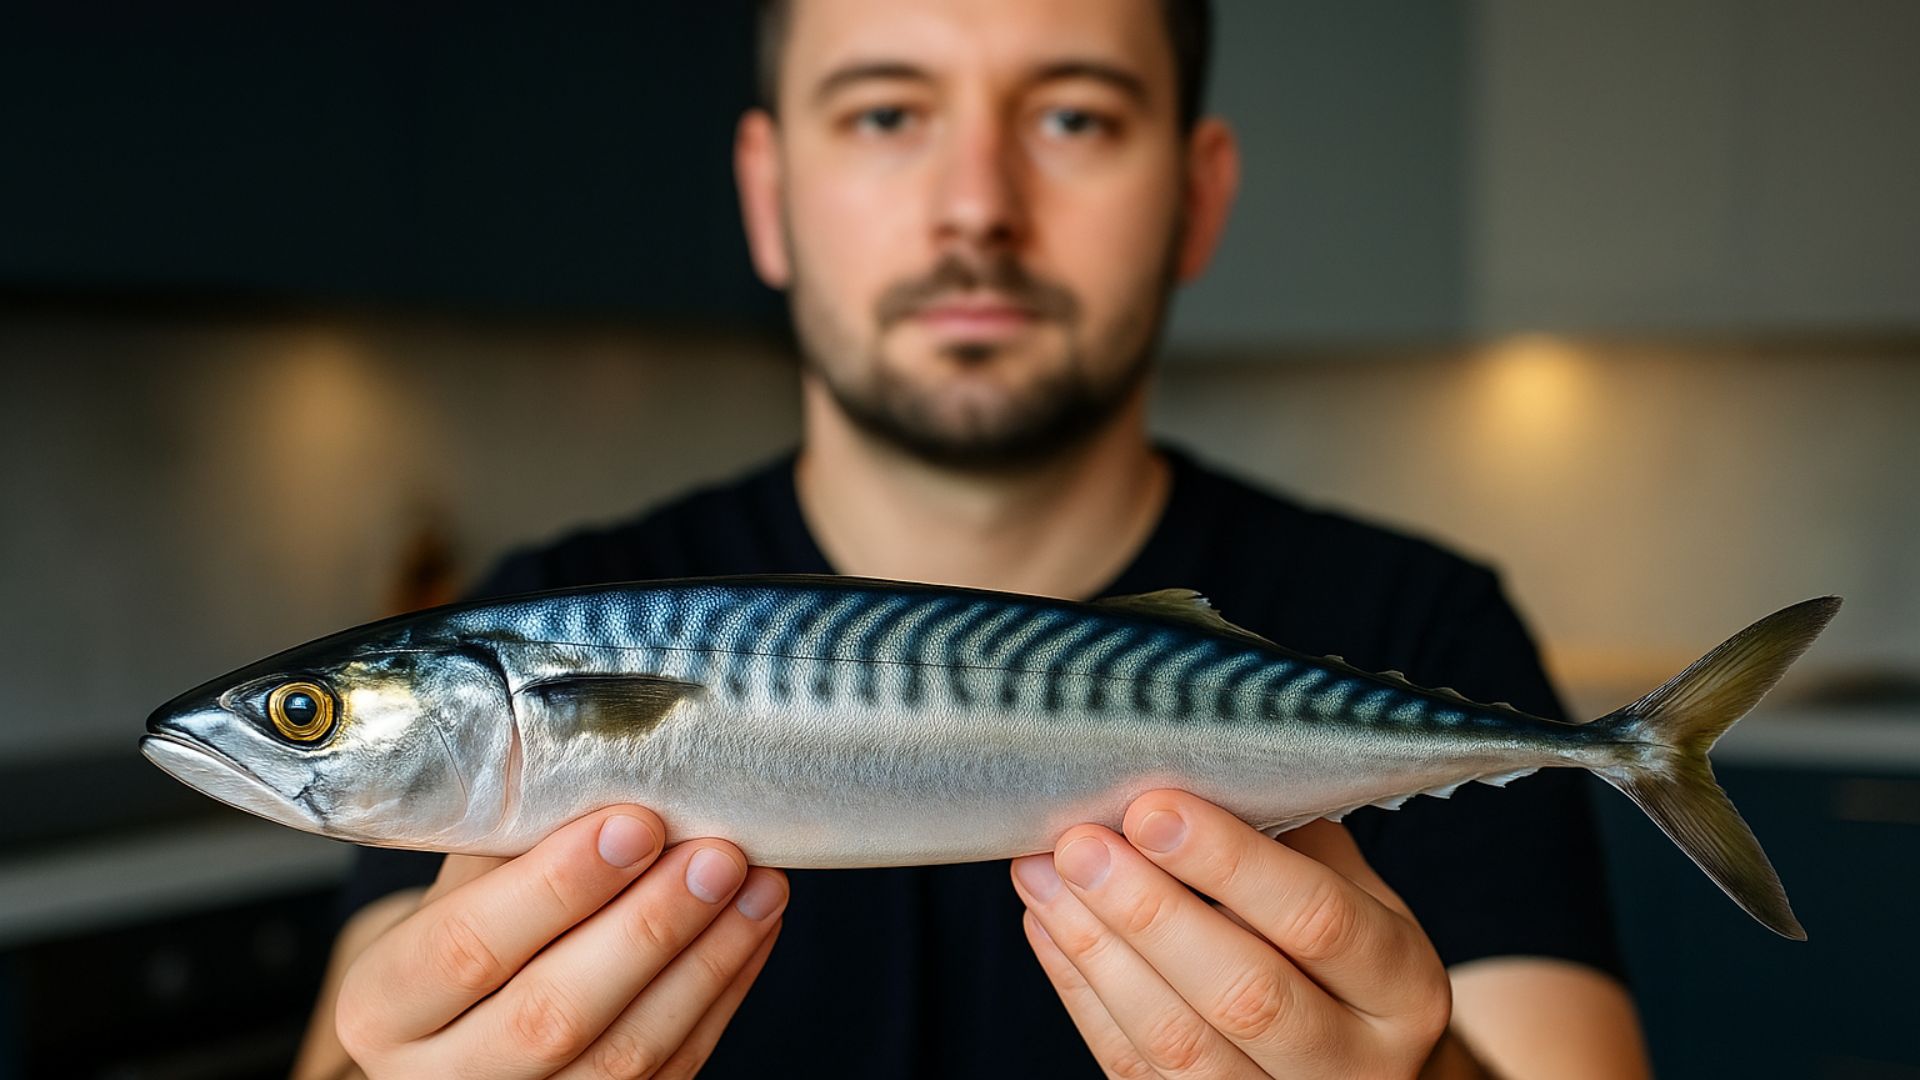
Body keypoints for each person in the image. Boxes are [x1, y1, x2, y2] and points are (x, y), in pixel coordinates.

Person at [293, 1, 1651, 1076]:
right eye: (886, 112)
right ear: (767, 192)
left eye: (1073, 115)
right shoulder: (535, 608)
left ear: (1199, 190)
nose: (977, 204)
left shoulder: (1421, 624)